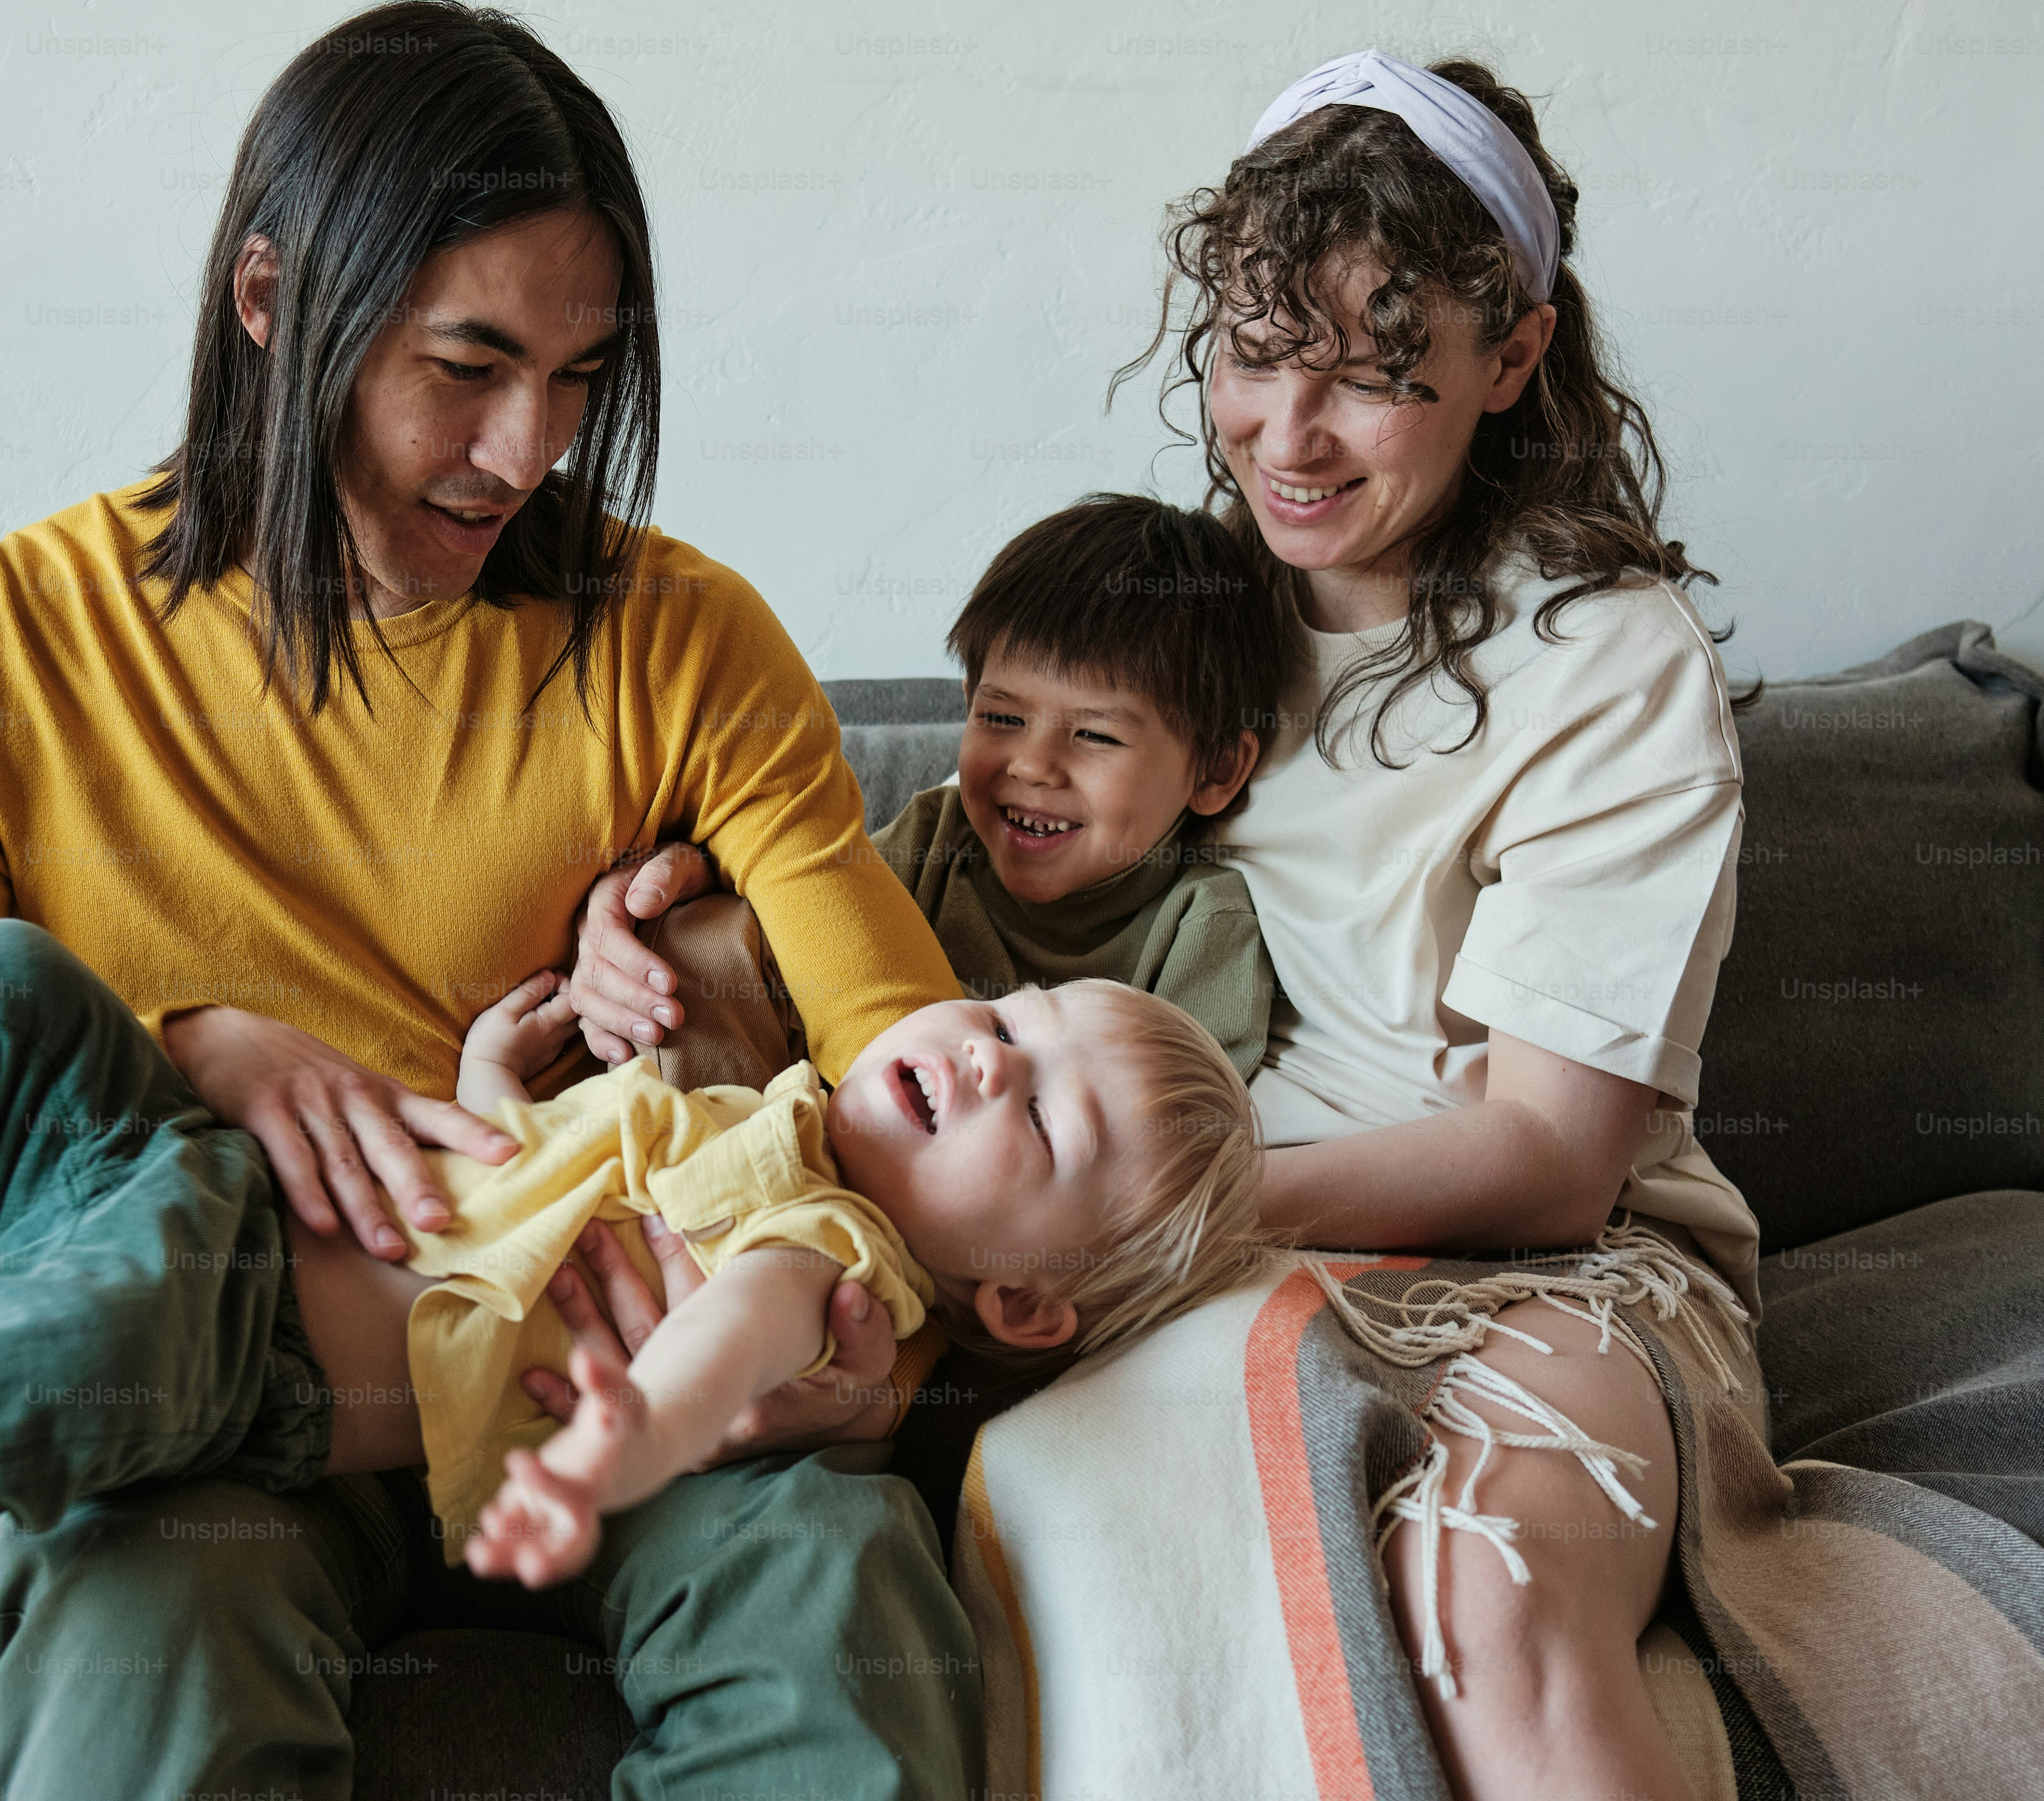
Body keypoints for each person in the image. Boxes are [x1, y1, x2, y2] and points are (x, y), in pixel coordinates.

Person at [0, 7, 982, 1796]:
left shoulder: (686, 642)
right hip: (236, 1406)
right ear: (271, 300)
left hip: (626, 1368)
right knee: (144, 1649)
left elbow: (926, 1065)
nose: (526, 448)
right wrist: (165, 1060)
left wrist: (877, 1358)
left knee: (837, 1603)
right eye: (467, 365)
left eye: (581, 377)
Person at [577, 49, 1763, 1801]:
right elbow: (890, 889)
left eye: (1374, 376)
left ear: (1512, 359)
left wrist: (1122, 1221)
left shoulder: (1606, 660)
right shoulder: (1180, 619)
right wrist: (656, 914)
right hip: (1181, 1260)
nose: (1288, 434)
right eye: (1254, 352)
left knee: (1481, 1598)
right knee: (1075, 1525)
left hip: (1544, 1274)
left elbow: (1548, 1160)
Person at [0, 919, 1265, 1602]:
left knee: (30, 1368)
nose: (988, 1054)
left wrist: (607, 1455)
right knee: (12, 984)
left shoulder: (829, 1250)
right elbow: (517, 1184)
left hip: (225, 1339)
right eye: (1011, 1012)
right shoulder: (756, 1108)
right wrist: (486, 1086)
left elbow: (723, 1347)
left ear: (1019, 1300)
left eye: (1045, 1117)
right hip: (179, 1170)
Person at [868, 492, 1298, 1077]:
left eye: (1095, 735)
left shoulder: (1199, 925)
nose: (1032, 766)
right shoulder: (929, 839)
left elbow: (1179, 1113)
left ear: (1215, 770)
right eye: (1002, 718)